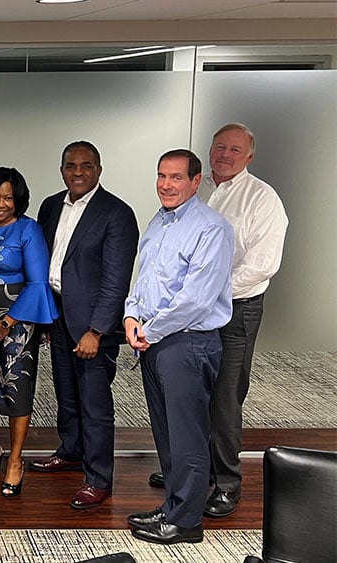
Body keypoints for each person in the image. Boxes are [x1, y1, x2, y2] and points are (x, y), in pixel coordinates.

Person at [149, 124, 289, 519]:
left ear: (249, 156)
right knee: (188, 394)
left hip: (234, 311)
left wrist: (207, 290)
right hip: (186, 311)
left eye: (234, 149)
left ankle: (226, 483)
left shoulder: (262, 198)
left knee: (225, 398)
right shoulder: (197, 188)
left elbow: (263, 265)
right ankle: (193, 474)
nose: (225, 154)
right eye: (219, 147)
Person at [124, 149, 233, 545]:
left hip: (187, 342)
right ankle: (173, 505)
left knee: (187, 436)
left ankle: (187, 523)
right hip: (153, 341)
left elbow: (196, 300)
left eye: (175, 177)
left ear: (195, 180)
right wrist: (131, 316)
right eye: (161, 176)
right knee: (168, 434)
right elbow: (144, 280)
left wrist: (150, 329)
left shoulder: (211, 228)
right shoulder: (158, 222)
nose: (166, 185)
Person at [31, 141, 138, 510]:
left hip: (93, 324)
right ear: (61, 169)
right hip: (58, 315)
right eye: (70, 165)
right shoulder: (49, 206)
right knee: (66, 393)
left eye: (86, 165)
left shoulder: (116, 213)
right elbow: (44, 262)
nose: (78, 172)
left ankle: (98, 478)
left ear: (99, 169)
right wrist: (44, 316)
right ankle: (71, 450)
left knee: (95, 403)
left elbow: (116, 279)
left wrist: (97, 330)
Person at [0, 167, 58, 498]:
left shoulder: (28, 229)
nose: (1, 203)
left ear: (18, 199)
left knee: (16, 389)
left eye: (8, 197)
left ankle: (16, 459)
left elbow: (37, 282)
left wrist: (6, 323)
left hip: (18, 319)